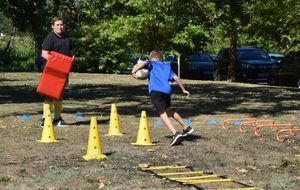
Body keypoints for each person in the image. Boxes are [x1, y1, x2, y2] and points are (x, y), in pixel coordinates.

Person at [132, 50, 193, 146]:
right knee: (169, 110)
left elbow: (144, 62)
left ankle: (175, 133)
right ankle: (186, 127)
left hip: (156, 91)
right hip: (167, 91)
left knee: (162, 113)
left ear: (153, 58)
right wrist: (183, 89)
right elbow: (176, 78)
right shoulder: (167, 66)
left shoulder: (151, 63)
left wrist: (134, 71)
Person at [40, 17, 74, 127]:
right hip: (51, 71)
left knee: (59, 95)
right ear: (53, 26)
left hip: (63, 72)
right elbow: (44, 54)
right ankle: (45, 119)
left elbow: (71, 54)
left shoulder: (67, 39)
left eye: (61, 24)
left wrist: (71, 60)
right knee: (49, 96)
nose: (60, 26)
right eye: (57, 25)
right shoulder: (50, 38)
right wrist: (58, 63)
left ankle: (57, 119)